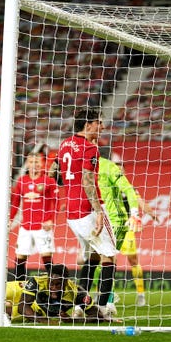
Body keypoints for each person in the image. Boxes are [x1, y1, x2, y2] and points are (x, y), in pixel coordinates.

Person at [48, 108, 117, 316]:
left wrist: (68, 185)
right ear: (88, 125)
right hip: (87, 209)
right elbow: (88, 182)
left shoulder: (64, 144)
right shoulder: (89, 148)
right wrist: (98, 213)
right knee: (109, 257)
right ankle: (103, 309)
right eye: (99, 122)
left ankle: (80, 306)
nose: (102, 126)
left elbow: (54, 173)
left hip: (71, 211)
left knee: (92, 258)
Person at [97, 154, 157, 308]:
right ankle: (109, 295)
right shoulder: (105, 186)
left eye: (121, 167)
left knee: (133, 260)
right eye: (116, 166)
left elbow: (140, 202)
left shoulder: (129, 189)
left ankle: (141, 294)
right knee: (109, 259)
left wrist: (151, 213)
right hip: (109, 225)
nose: (119, 169)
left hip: (126, 227)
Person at [9, 152, 58, 281]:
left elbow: (56, 202)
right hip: (25, 226)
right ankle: (19, 290)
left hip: (43, 226)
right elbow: (15, 203)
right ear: (27, 163)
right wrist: (10, 220)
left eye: (37, 162)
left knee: (47, 257)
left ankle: (54, 289)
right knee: (20, 257)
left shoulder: (49, 180)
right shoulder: (22, 181)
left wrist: (51, 220)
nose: (34, 165)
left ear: (42, 163)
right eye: (31, 162)